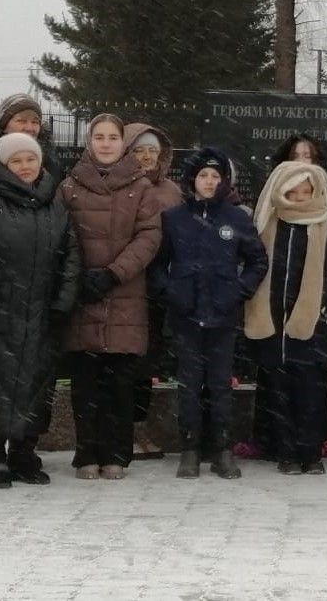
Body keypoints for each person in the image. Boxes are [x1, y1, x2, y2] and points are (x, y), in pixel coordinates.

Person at [0, 132, 82, 488]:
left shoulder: (54, 203)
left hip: (41, 313)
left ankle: (24, 454)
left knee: (35, 387)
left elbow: (71, 257)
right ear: (4, 165)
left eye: (31, 159)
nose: (25, 167)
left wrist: (62, 302)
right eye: (17, 161)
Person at [59, 113, 164, 480]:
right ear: (90, 142)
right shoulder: (70, 185)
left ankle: (117, 454)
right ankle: (86, 453)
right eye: (99, 137)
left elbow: (149, 236)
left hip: (124, 295)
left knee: (120, 383)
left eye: (112, 137)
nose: (106, 143)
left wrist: (113, 274)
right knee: (86, 383)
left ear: (123, 144)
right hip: (83, 293)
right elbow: (61, 234)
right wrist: (80, 274)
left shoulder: (141, 187)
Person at [153, 148, 268, 481]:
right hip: (186, 315)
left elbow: (258, 261)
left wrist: (238, 290)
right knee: (189, 385)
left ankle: (222, 449)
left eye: (215, 177)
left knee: (220, 386)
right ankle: (189, 449)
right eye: (203, 176)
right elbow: (158, 264)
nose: (209, 182)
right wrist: (171, 292)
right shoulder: (174, 218)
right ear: (193, 179)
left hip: (223, 315)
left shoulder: (236, 218)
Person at [246, 160, 327, 475]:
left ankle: (310, 452)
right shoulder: (269, 222)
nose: (299, 197)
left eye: (305, 191)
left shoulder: (325, 225)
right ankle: (285, 451)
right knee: (277, 386)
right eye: (293, 191)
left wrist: (323, 303)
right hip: (273, 318)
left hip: (312, 319)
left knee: (310, 390)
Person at [123, 122, 182, 461]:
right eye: (139, 150)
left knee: (146, 363)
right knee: (124, 363)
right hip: (126, 284)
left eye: (152, 151)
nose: (146, 157)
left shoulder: (172, 191)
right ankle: (122, 430)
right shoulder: (119, 186)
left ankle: (139, 427)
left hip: (157, 289)